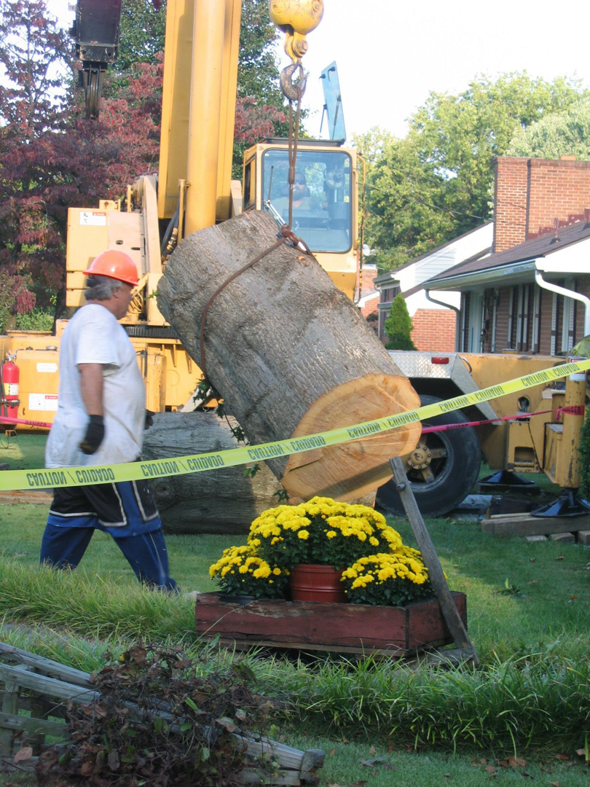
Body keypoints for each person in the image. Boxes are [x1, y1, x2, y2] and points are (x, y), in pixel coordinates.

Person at [40, 250, 177, 591]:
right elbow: (90, 368)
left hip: (75, 450)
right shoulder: (98, 321)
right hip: (105, 451)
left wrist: (133, 411)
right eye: (129, 290)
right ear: (115, 290)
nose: (131, 298)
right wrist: (99, 422)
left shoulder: (84, 321)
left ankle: (42, 589)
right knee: (139, 522)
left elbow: (102, 376)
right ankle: (163, 593)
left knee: (68, 523)